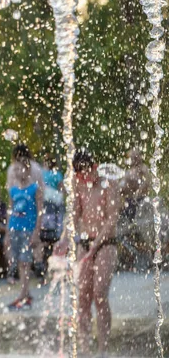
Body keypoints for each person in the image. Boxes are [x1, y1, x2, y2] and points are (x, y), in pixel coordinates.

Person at [57, 148, 120, 356]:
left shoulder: (109, 184)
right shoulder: (79, 185)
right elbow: (74, 215)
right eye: (79, 175)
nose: (84, 179)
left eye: (86, 173)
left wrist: (97, 243)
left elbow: (112, 220)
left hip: (106, 244)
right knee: (82, 298)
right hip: (85, 244)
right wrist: (64, 239)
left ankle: (102, 349)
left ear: (94, 167)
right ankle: (84, 349)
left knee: (99, 294)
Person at [5, 143, 44, 310]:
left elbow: (40, 210)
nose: (15, 172)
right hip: (15, 228)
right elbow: (10, 209)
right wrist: (7, 232)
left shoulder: (35, 187)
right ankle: (25, 293)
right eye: (15, 169)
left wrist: (37, 231)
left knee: (26, 262)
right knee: (20, 262)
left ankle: (24, 294)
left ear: (27, 169)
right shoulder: (13, 189)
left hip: (28, 229)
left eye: (18, 169)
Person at [34, 154, 65, 278]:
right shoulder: (57, 175)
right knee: (52, 238)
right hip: (54, 207)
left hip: (45, 206)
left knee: (42, 237)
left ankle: (40, 264)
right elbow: (62, 189)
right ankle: (48, 264)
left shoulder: (41, 173)